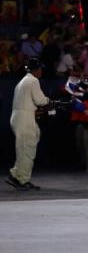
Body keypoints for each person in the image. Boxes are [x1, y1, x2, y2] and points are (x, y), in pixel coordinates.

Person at [6, 58, 50, 190]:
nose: (41, 71)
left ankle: (17, 175)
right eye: (40, 69)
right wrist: (49, 101)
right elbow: (40, 100)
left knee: (23, 148)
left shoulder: (22, 81)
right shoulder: (33, 80)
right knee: (27, 149)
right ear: (36, 69)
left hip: (19, 117)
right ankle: (21, 179)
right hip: (24, 118)